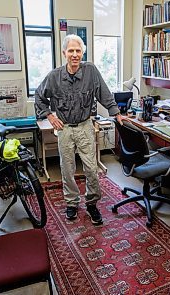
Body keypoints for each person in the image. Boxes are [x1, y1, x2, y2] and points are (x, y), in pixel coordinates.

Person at [35, 34, 123, 225]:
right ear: (64, 53)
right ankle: (72, 203)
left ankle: (92, 203)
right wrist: (50, 116)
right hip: (65, 129)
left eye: (78, 51)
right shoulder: (54, 76)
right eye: (71, 51)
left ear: (82, 52)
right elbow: (39, 97)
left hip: (85, 127)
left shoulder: (90, 71)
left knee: (91, 168)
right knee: (67, 169)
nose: (75, 55)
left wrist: (115, 113)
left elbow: (104, 93)